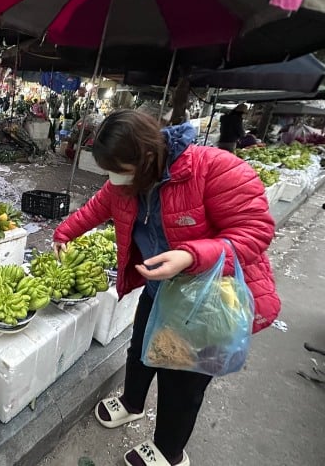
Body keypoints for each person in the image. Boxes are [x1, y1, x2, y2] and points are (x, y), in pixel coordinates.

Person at [53, 110, 279, 466]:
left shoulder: (215, 168)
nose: (114, 179)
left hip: (208, 300)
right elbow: (99, 206)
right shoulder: (128, 181)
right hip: (160, 291)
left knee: (183, 382)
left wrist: (191, 256)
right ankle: (132, 403)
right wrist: (64, 231)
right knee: (141, 348)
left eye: (119, 169)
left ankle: (169, 451)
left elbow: (256, 233)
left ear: (145, 157)